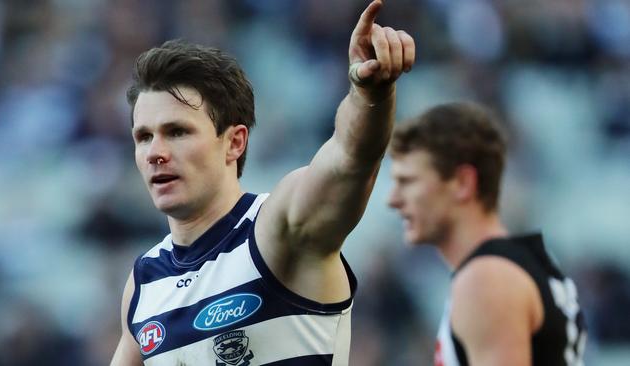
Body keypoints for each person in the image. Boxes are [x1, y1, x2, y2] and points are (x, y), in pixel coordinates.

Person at [109, 1, 415, 365]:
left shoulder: (275, 229)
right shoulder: (144, 282)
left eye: (177, 132)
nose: (155, 152)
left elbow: (350, 160)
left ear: (235, 142)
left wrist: (370, 94)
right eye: (144, 137)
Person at [387, 102, 587, 366]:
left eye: (408, 181)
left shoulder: (487, 280)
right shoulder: (518, 264)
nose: (393, 199)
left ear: (463, 183)